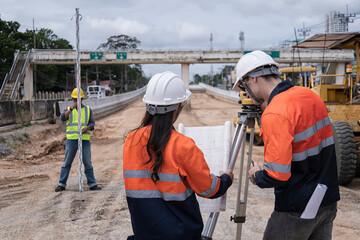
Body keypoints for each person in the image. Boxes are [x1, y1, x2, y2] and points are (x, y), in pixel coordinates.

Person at [233, 50, 340, 240]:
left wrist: (257, 175)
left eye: (244, 85)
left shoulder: (276, 113)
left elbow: (277, 175)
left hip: (297, 209)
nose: (245, 92)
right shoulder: (309, 95)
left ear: (254, 79)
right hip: (327, 201)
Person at [123, 71, 233, 240]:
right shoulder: (183, 146)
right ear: (177, 108)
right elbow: (208, 189)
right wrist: (226, 179)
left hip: (143, 234)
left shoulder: (132, 140)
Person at [55, 88, 101, 192]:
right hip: (72, 140)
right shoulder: (68, 109)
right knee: (67, 162)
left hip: (84, 140)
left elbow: (92, 123)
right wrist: (72, 108)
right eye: (75, 99)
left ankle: (92, 184)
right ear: (72, 99)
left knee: (87, 163)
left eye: (79, 99)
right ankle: (61, 184)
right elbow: (62, 118)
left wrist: (87, 128)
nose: (77, 101)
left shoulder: (88, 109)